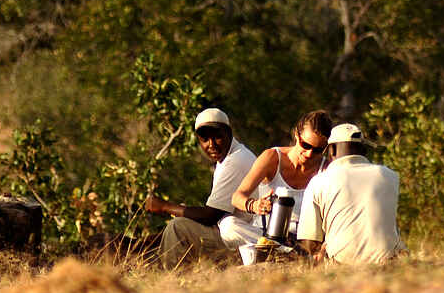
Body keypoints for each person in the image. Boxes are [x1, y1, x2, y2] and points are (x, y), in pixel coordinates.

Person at [143, 107, 258, 267]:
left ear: (229, 133)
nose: (211, 144)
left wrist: (164, 206)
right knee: (181, 222)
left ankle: (169, 281)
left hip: (243, 243)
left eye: (217, 137)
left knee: (178, 227)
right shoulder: (229, 157)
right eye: (205, 139)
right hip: (237, 235)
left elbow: (210, 216)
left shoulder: (235, 161)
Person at [224, 109, 332, 264]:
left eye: (317, 150)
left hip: (303, 241)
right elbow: (237, 197)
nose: (309, 154)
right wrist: (254, 205)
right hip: (265, 235)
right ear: (297, 135)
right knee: (228, 226)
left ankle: (290, 253)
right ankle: (288, 253)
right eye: (305, 145)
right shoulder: (272, 157)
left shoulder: (326, 169)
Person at [298, 122, 405, 266]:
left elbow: (309, 244)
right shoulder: (390, 175)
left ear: (332, 150)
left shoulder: (319, 181)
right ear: (363, 149)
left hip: (342, 263)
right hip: (388, 262)